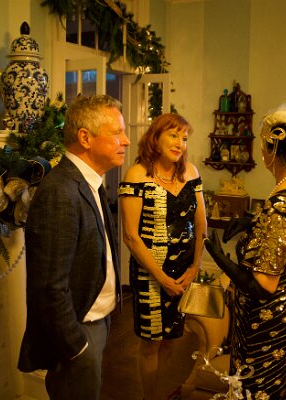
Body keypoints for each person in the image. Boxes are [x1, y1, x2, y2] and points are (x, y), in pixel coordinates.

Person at [204, 103, 286, 399]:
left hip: (271, 325)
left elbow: (263, 286)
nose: (261, 151)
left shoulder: (282, 203)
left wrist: (221, 260)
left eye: (263, 142)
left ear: (272, 148)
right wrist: (253, 221)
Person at [17, 94, 130, 400]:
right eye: (117, 132)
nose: (126, 140)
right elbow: (48, 286)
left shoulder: (90, 181)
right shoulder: (60, 191)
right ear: (85, 138)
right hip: (78, 334)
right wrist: (77, 346)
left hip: (95, 322)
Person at [118, 113, 207, 400]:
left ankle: (159, 393)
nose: (180, 143)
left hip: (183, 274)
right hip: (150, 275)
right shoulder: (136, 175)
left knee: (171, 340)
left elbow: (201, 225)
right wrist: (162, 279)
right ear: (155, 138)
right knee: (151, 343)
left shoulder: (191, 172)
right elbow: (131, 236)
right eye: (173, 135)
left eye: (184, 138)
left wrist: (194, 268)